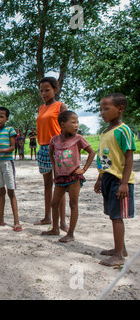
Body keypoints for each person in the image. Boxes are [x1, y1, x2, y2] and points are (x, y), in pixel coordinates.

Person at [94, 93, 136, 267]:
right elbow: (104, 158)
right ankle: (121, 248)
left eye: (106, 109)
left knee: (117, 217)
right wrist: (99, 178)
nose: (102, 113)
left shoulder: (123, 130)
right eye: (100, 109)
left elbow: (129, 157)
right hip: (108, 178)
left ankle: (119, 255)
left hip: (119, 180)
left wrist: (125, 183)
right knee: (113, 214)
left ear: (120, 109)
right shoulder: (105, 132)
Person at [41, 111, 95, 242]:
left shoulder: (78, 139)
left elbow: (92, 153)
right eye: (73, 122)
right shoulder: (55, 139)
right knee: (54, 203)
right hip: (60, 177)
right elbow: (51, 153)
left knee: (73, 203)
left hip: (73, 177)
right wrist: (55, 169)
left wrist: (83, 169)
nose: (76, 125)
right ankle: (55, 229)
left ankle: (70, 233)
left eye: (77, 122)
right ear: (63, 125)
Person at [35, 77, 68, 230]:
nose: (44, 93)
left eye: (47, 90)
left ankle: (62, 221)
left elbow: (67, 128)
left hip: (57, 147)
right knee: (47, 184)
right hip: (42, 148)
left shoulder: (60, 106)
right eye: (41, 91)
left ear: (55, 89)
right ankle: (47, 217)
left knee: (60, 185)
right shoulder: (41, 108)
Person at [0, 107, 22, 231]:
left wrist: (2, 150)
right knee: (0, 192)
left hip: (7, 163)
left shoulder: (10, 130)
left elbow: (12, 147)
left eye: (1, 116)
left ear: (7, 118)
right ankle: (0, 219)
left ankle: (16, 221)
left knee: (11, 192)